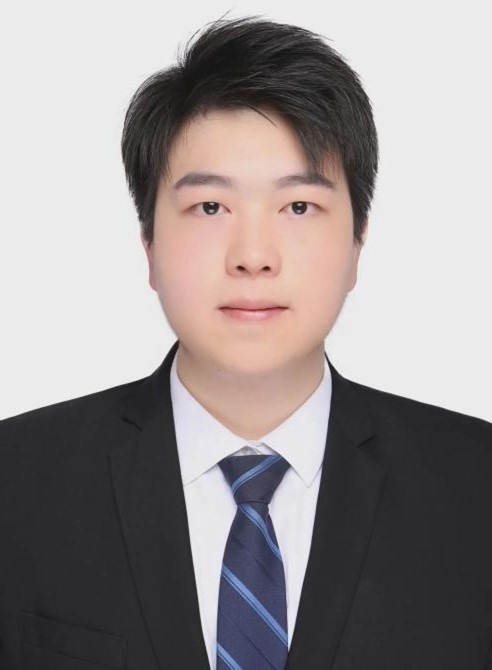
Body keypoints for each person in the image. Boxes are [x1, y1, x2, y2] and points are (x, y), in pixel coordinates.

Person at [1, 14, 491, 670]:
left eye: (298, 207)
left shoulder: (476, 486)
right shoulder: (16, 483)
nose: (253, 256)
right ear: (148, 243)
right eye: (210, 207)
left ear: (357, 245)